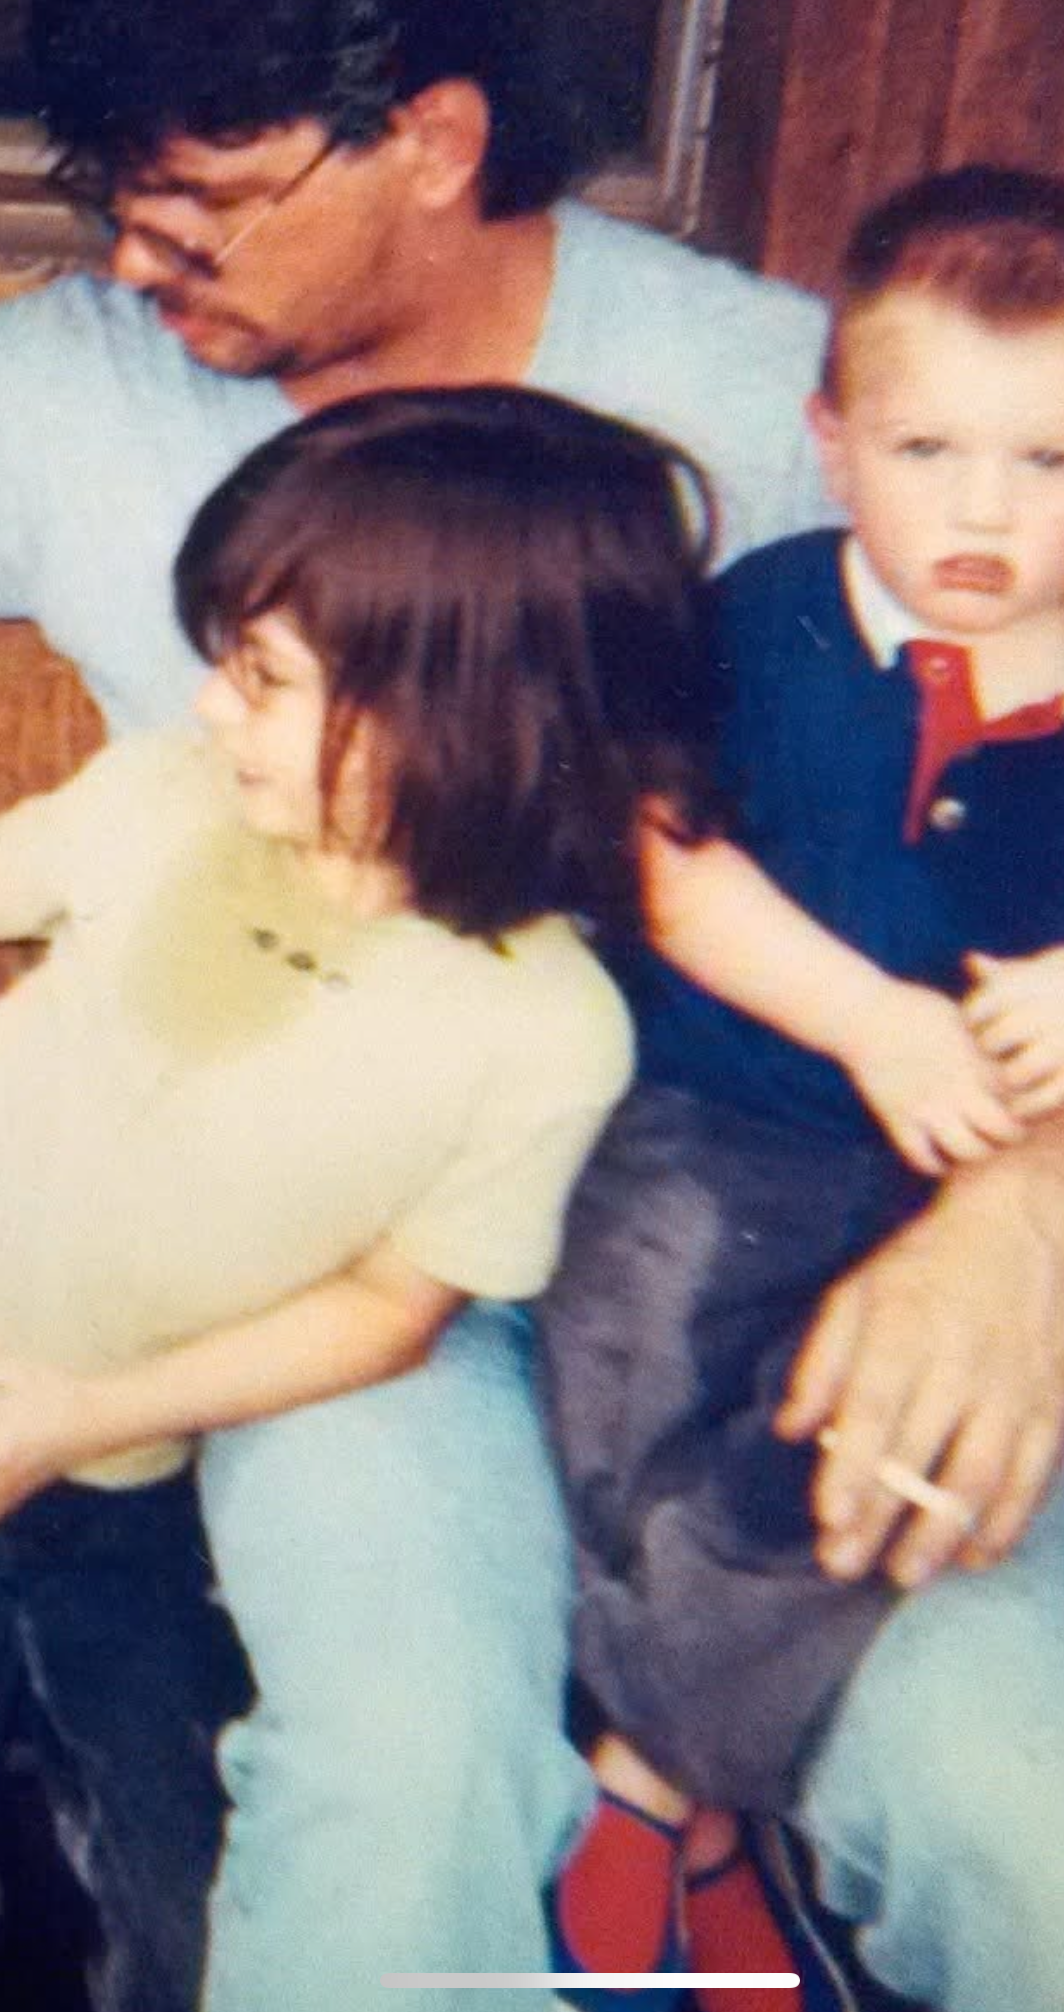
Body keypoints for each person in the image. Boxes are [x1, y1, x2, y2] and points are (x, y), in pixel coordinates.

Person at [1, 0, 1064, 2007]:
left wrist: (1026, 1220)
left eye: (202, 205)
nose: (143, 264)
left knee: (1040, 1843)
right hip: (354, 1279)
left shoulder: (816, 412)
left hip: (806, 1233)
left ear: (425, 135)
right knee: (400, 1770)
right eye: (113, 202)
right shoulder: (75, 379)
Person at [541, 164, 1064, 2012]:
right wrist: (865, 1018)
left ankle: (655, 1785)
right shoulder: (760, 623)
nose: (978, 512)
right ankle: (721, 1826)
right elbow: (660, 856)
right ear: (830, 447)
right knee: (645, 1429)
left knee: (874, 1467)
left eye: (1045, 468)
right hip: (702, 1137)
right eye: (924, 450)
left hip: (942, 1203)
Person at [0, 381, 726, 1996]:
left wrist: (65, 1411)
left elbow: (396, 1313)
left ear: (460, 715)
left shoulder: (539, 1030)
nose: (206, 712)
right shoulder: (160, 802)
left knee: (173, 1901)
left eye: (261, 679)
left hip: (116, 1487)